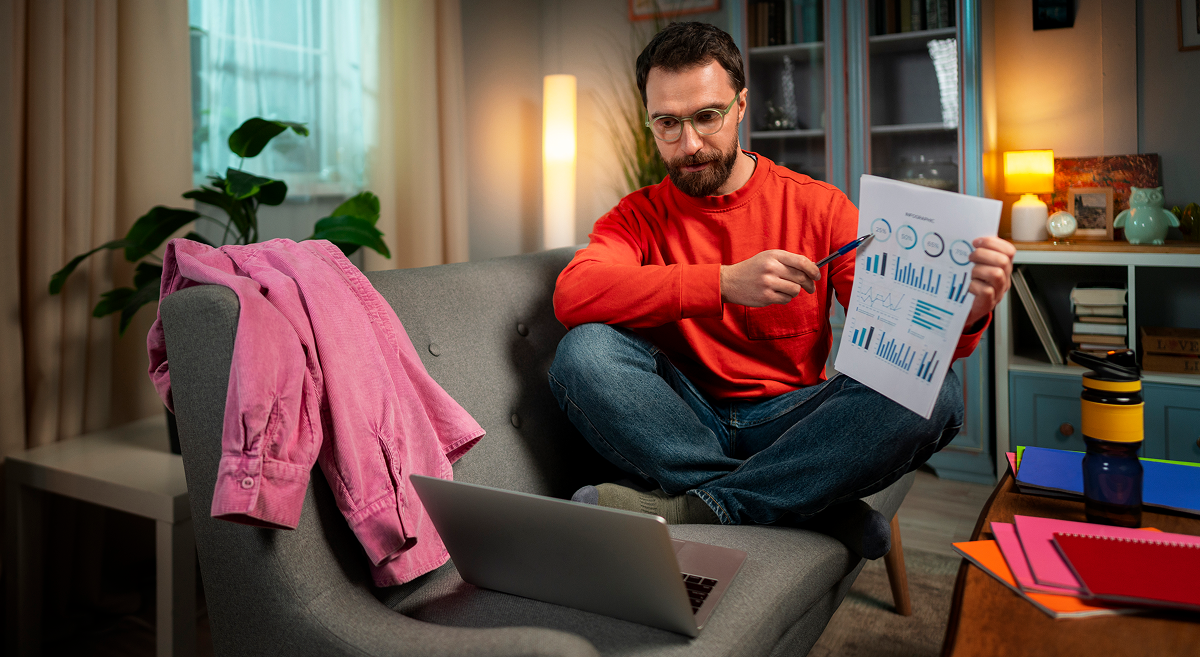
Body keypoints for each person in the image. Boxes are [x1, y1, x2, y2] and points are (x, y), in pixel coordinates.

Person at [548, 22, 1014, 559]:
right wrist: (724, 283)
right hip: (678, 422)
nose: (690, 143)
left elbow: (904, 345)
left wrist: (969, 311)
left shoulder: (819, 207)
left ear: (742, 105)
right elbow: (574, 295)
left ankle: (707, 504)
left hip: (792, 425)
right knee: (583, 352)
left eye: (707, 116)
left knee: (934, 391)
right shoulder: (636, 216)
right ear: (650, 122)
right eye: (668, 124)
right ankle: (809, 504)